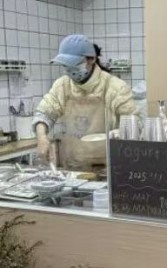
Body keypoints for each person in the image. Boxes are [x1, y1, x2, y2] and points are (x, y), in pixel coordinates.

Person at [33, 34, 136, 169]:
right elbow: (44, 113)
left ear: (92, 59)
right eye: (66, 65)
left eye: (75, 64)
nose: (70, 69)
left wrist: (116, 134)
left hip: (109, 168)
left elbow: (134, 123)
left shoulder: (116, 87)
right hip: (74, 167)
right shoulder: (62, 85)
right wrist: (41, 137)